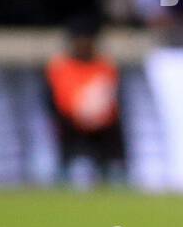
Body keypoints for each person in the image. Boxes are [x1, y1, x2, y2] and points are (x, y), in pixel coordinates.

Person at [45, 15, 125, 186]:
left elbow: (112, 99)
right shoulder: (60, 67)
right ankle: (64, 174)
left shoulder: (105, 66)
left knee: (114, 134)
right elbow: (56, 101)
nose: (83, 45)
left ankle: (112, 174)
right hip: (70, 124)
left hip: (103, 127)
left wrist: (96, 115)